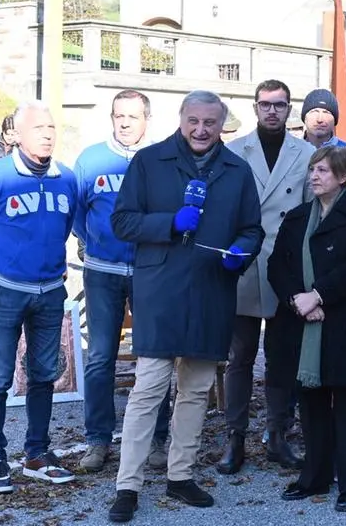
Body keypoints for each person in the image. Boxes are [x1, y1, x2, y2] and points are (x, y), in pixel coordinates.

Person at [107, 90, 264, 523]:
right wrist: (168, 223)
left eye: (209, 123)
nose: (200, 130)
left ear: (221, 125)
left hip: (211, 289)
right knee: (148, 390)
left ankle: (180, 476)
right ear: (181, 119)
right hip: (160, 290)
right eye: (193, 121)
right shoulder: (149, 161)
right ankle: (128, 485)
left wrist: (241, 252)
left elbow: (253, 228)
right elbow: (122, 221)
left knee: (195, 390)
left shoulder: (237, 170)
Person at [0, 101, 78, 494]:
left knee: (44, 375)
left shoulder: (68, 179)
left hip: (48, 293)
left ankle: (37, 454)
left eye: (51, 127)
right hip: (5, 292)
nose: (47, 134)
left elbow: (64, 227)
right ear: (17, 133)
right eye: (38, 128)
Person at [267, 146, 346, 513]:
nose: (315, 176)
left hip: (345, 326)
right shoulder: (297, 217)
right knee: (311, 407)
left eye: (324, 171)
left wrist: (318, 296)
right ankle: (313, 477)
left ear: (343, 177)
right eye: (313, 169)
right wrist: (296, 301)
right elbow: (277, 266)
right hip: (302, 326)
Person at [73, 90, 173, 473]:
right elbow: (79, 213)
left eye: (133, 116)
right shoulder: (91, 159)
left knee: (154, 355)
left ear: (147, 118)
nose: (125, 122)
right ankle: (97, 440)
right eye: (119, 116)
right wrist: (95, 241)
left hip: (151, 272)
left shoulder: (161, 158)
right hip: (102, 272)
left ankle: (157, 438)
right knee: (100, 357)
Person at [219, 79, 314, 474]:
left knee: (282, 358)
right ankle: (234, 437)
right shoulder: (234, 151)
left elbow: (312, 215)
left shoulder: (308, 153)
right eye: (265, 104)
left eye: (279, 105)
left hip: (285, 269)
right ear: (255, 107)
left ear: (290, 109)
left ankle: (278, 434)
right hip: (243, 265)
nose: (272, 111)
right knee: (237, 357)